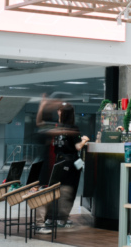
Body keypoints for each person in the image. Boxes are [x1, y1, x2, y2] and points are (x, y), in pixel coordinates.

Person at [35, 98, 89, 233]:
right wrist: (84, 140)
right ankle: (61, 219)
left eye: (59, 110)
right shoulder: (72, 128)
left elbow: (40, 124)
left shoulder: (56, 127)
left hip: (56, 163)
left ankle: (50, 218)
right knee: (67, 191)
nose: (58, 112)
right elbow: (77, 147)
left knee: (54, 189)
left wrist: (42, 106)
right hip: (70, 164)